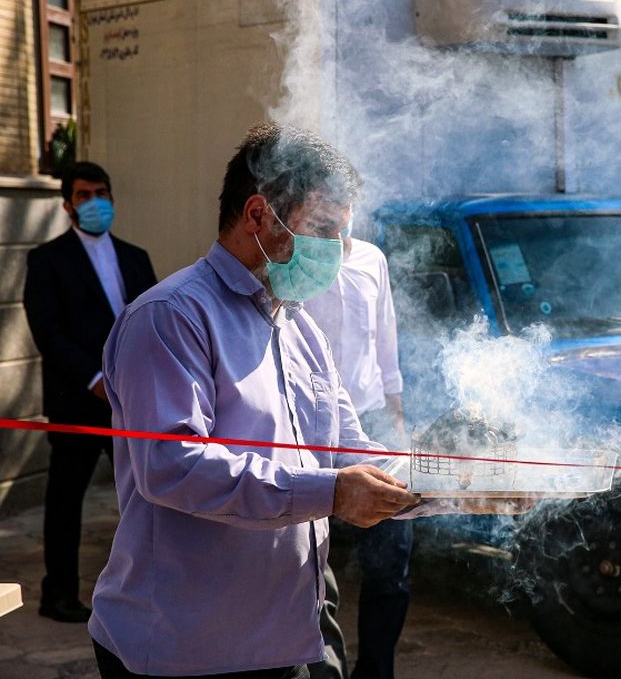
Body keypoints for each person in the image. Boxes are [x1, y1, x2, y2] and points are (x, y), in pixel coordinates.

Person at [88, 125, 421, 678]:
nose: (337, 252)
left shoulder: (299, 327)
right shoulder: (170, 316)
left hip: (289, 635)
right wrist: (332, 493)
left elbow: (346, 451)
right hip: (186, 649)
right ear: (259, 215)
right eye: (322, 229)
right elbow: (173, 466)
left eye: (344, 234)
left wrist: (448, 486)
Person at [22, 161, 156, 623]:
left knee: (145, 498)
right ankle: (57, 594)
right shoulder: (46, 260)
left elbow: (153, 321)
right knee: (65, 501)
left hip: (132, 402)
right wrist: (94, 379)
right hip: (79, 400)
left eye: (102, 192)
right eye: (84, 194)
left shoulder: (136, 256)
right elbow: (48, 331)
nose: (95, 202)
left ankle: (152, 588)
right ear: (67, 203)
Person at [305, 230, 412, 679]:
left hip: (369, 422)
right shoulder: (296, 263)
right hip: (306, 431)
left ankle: (376, 671)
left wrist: (398, 421)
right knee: (307, 564)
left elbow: (385, 343)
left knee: (391, 564)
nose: (338, 232)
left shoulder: (372, 259)